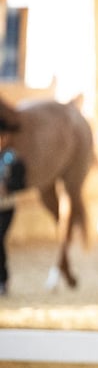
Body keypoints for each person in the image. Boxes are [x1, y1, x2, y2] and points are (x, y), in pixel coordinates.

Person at [0, 122, 26, 295]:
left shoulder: (11, 158)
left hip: (5, 207)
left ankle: (3, 279)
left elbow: (20, 182)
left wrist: (7, 187)